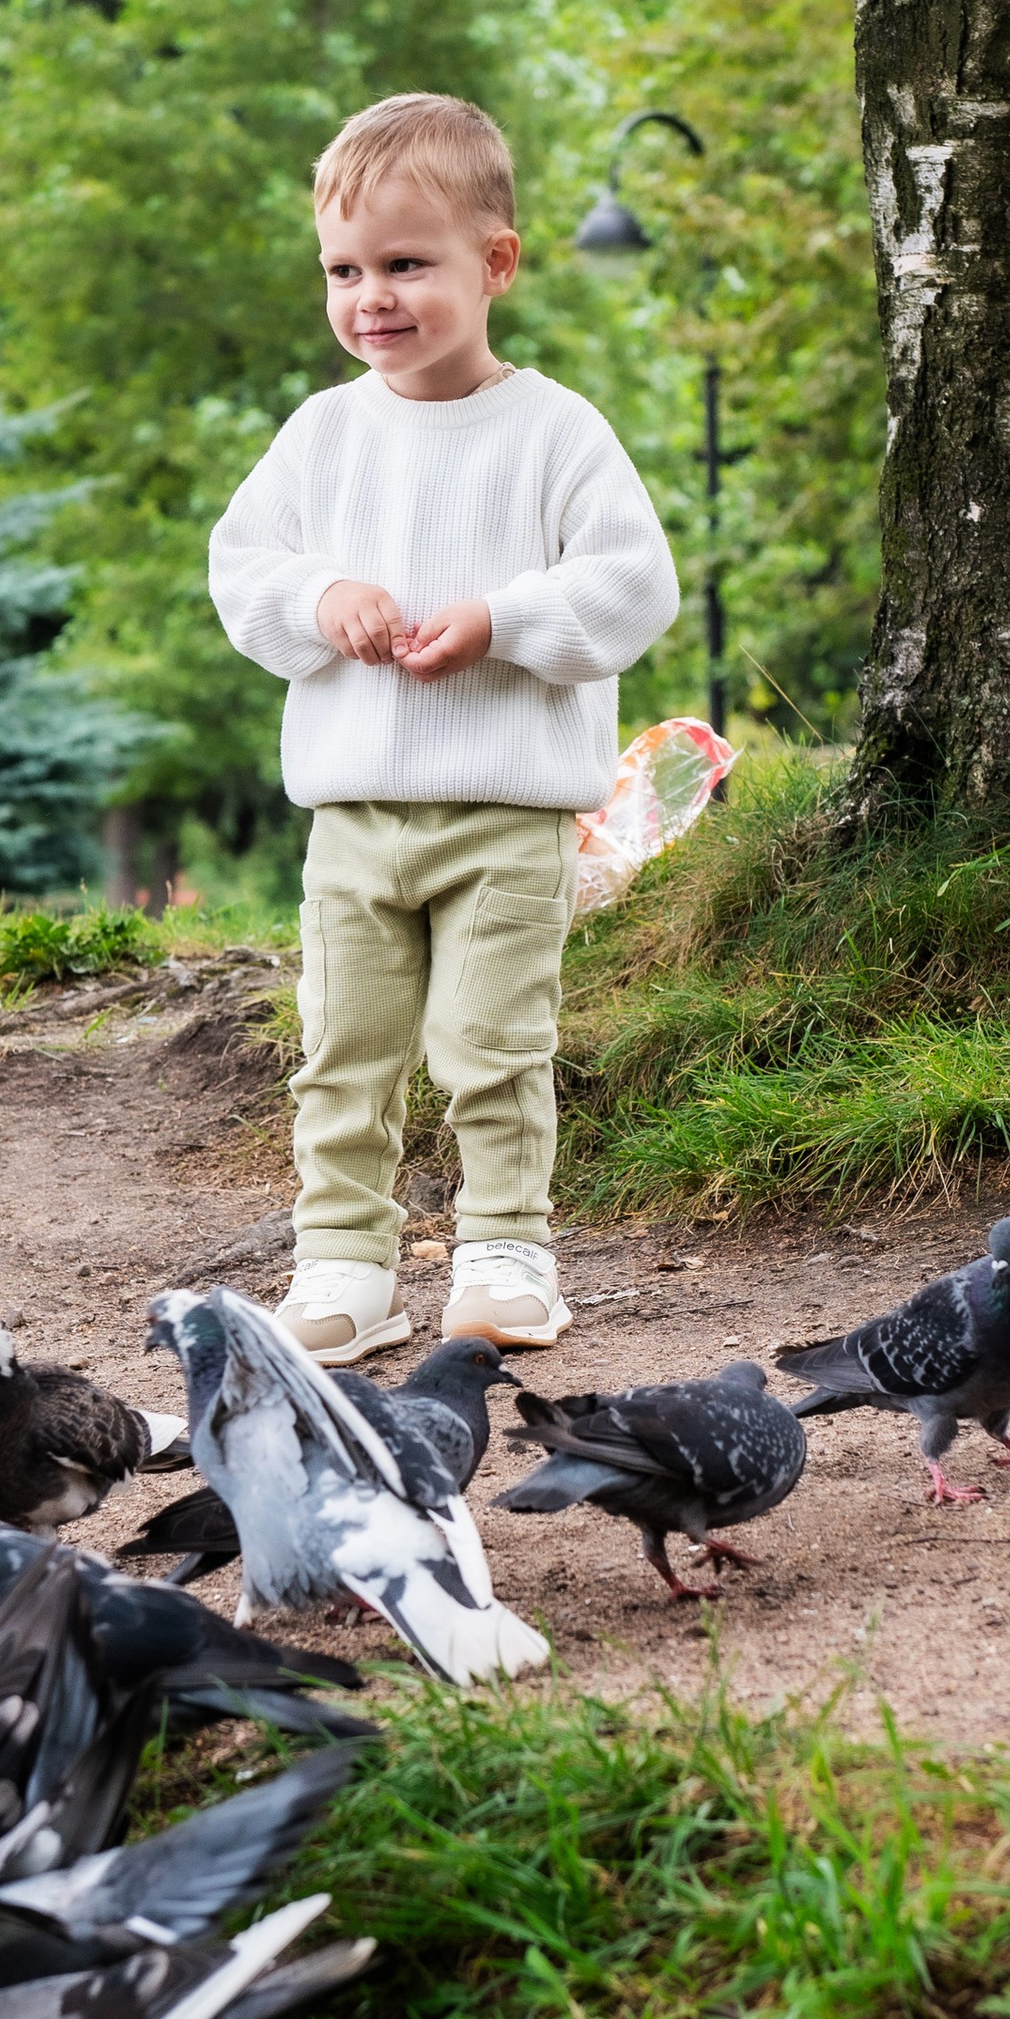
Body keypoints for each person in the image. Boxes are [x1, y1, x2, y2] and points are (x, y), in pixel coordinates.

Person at [209, 92, 679, 1363]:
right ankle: (343, 1264)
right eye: (345, 270)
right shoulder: (321, 434)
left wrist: (507, 617)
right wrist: (322, 596)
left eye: (407, 264)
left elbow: (634, 587)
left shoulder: (554, 431)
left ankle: (505, 1252)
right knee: (341, 1051)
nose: (373, 296)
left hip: (505, 812)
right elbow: (243, 573)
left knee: (490, 1044)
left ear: (497, 263)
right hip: (354, 813)